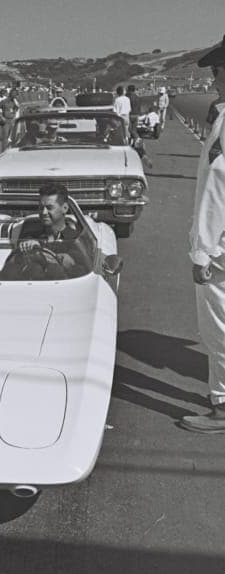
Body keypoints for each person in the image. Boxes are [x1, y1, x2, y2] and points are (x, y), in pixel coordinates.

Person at [180, 37, 225, 432]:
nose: (213, 80)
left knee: (219, 327)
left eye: (217, 71)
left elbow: (216, 188)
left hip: (221, 249)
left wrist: (202, 253)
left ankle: (223, 408)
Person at [3, 182, 84, 280]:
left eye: (49, 208)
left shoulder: (76, 238)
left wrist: (42, 252)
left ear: (65, 208)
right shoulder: (29, 235)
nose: (43, 212)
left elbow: (80, 269)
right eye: (41, 208)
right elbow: (13, 262)